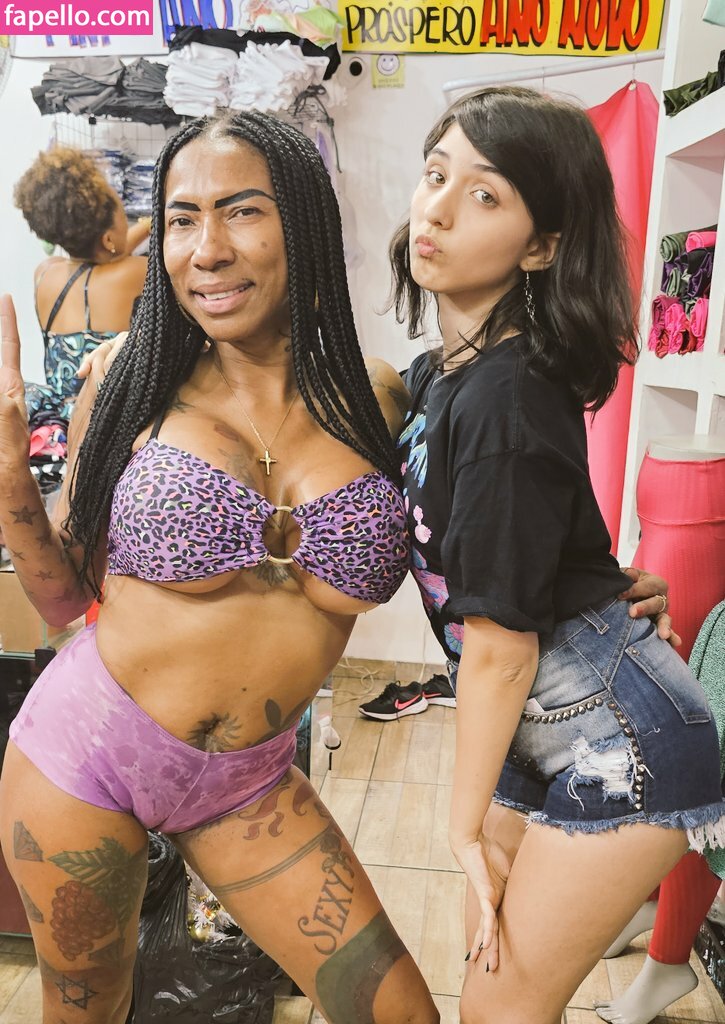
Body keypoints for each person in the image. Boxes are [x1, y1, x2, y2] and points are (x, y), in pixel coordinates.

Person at [0, 111, 438, 1024]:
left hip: (246, 786)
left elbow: (473, 546)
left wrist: (598, 595)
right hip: (87, 756)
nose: (206, 250)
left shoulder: (379, 398)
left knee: (401, 1013)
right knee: (89, 1011)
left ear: (304, 222)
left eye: (241, 211)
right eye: (181, 218)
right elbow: (63, 595)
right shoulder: (125, 381)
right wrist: (7, 475)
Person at [389, 86, 725, 1024]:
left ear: (540, 247)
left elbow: (500, 650)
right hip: (542, 717)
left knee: (498, 1010)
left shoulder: (507, 396)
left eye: (483, 195)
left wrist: (460, 827)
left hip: (617, 738)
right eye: (434, 174)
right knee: (492, 998)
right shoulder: (446, 376)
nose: (437, 209)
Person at [14, 146, 149, 406]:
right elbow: (117, 257)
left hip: (63, 417)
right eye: (123, 214)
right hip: (113, 417)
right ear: (107, 239)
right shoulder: (137, 272)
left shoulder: (45, 273)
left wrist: (146, 224)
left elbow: (111, 254)